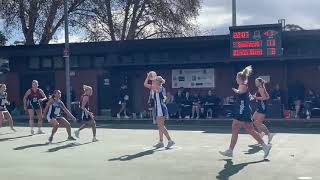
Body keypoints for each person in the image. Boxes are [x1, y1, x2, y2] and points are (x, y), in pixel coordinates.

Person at [219, 66, 271, 158]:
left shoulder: (243, 86)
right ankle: (231, 150)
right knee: (246, 129)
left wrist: (237, 91)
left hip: (243, 112)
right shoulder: (242, 85)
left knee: (242, 128)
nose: (235, 79)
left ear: (240, 78)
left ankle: (264, 146)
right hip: (241, 110)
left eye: (236, 77)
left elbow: (241, 91)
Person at [144, 72, 175, 148]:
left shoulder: (160, 87)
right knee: (160, 126)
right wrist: (148, 77)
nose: (154, 81)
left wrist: (151, 78)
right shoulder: (155, 86)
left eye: (155, 80)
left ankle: (170, 141)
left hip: (161, 108)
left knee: (160, 126)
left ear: (158, 82)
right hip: (158, 108)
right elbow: (145, 84)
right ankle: (161, 142)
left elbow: (153, 87)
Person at [252, 78, 273, 144]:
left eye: (256, 82)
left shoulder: (261, 89)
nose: (255, 83)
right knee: (254, 121)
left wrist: (256, 97)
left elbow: (263, 98)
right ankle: (261, 133)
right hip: (259, 107)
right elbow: (268, 97)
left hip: (262, 108)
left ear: (260, 83)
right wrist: (255, 97)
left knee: (259, 123)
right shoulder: (262, 88)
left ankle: (269, 134)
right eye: (255, 81)